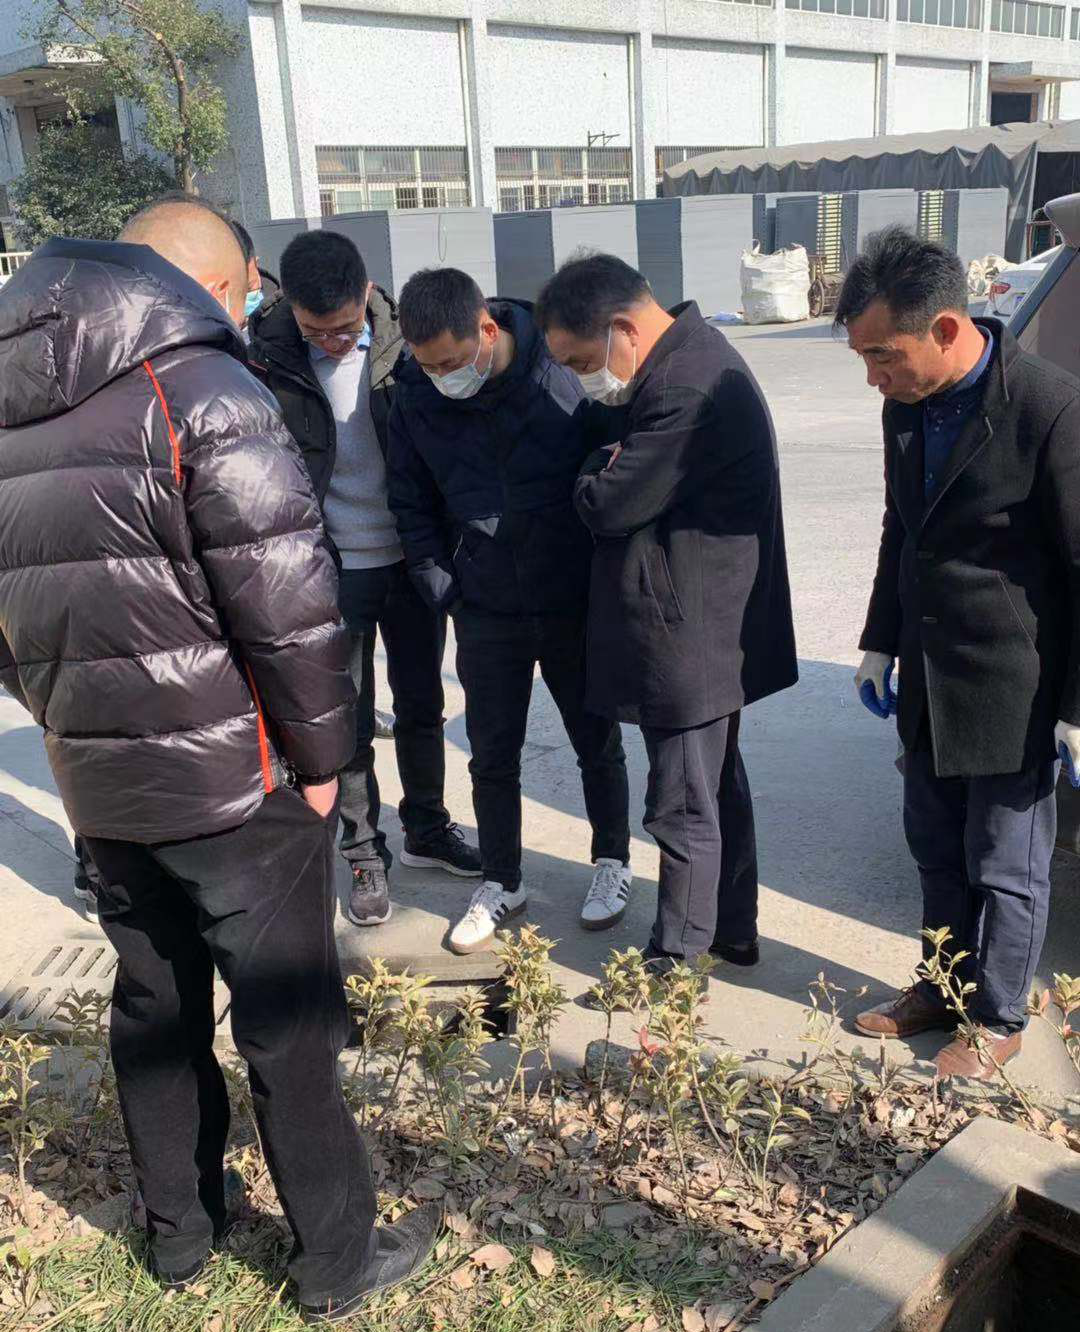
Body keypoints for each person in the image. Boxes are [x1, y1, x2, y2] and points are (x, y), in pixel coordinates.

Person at [0, 198, 438, 1317]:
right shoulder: (200, 387)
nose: (251, 304)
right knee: (287, 1027)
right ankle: (337, 1260)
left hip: (98, 785)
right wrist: (327, 755)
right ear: (208, 275)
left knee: (155, 1008)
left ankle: (179, 1237)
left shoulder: (8, 403)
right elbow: (288, 605)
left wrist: (65, 714)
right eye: (246, 285)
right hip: (236, 789)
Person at [840, 227, 1080, 1079]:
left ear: (945, 329)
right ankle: (940, 986)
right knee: (935, 847)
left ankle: (999, 1017)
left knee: (1005, 861)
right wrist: (877, 639)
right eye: (864, 358)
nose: (875, 375)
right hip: (927, 674)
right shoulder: (904, 407)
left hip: (1016, 684)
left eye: (884, 355)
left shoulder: (1048, 407)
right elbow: (900, 527)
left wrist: (1075, 709)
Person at [537, 254, 797, 977]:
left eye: (584, 360)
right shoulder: (686, 359)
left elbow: (610, 502)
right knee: (715, 791)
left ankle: (677, 959)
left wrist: (593, 472)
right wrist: (612, 451)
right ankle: (730, 931)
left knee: (682, 805)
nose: (586, 378)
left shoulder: (686, 388)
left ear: (623, 328)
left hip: (688, 632)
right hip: (704, 622)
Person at [387, 267, 633, 954]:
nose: (441, 376)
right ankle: (502, 879)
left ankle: (611, 860)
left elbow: (617, 454)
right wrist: (442, 583)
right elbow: (408, 500)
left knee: (596, 739)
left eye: (449, 361)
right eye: (426, 364)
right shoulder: (416, 395)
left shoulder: (558, 366)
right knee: (492, 754)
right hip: (485, 604)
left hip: (569, 596)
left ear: (486, 330)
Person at [250, 232, 480, 926]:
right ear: (290, 307)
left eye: (344, 328)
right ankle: (363, 852)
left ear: (368, 295)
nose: (331, 343)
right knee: (346, 719)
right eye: (316, 331)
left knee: (421, 707)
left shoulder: (405, 337)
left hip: (410, 559)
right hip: (330, 569)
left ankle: (427, 829)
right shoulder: (265, 355)